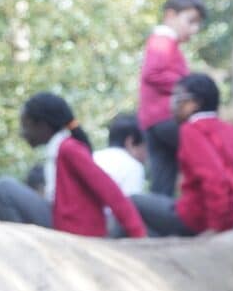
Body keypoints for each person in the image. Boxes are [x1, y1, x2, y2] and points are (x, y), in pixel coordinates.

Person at [132, 74, 233, 236]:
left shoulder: (191, 130)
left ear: (195, 103)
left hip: (196, 217)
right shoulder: (231, 131)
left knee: (130, 201)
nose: (172, 105)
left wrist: (215, 227)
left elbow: (214, 178)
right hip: (231, 215)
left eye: (178, 98)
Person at [15, 92, 147, 238]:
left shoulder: (68, 149)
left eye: (26, 126)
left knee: (3, 188)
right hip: (63, 223)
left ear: (43, 126)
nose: (22, 133)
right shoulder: (57, 150)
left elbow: (108, 189)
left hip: (75, 230)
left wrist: (137, 231)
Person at [137, 0, 206, 196]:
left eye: (197, 24)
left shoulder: (166, 43)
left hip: (153, 120)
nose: (194, 29)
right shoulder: (162, 40)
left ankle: (161, 223)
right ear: (170, 15)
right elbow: (152, 73)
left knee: (163, 179)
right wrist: (189, 86)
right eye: (190, 21)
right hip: (167, 118)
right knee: (206, 155)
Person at [93, 113, 147, 197]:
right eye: (145, 147)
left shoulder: (93, 157)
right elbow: (132, 206)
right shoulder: (132, 167)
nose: (147, 154)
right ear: (130, 142)